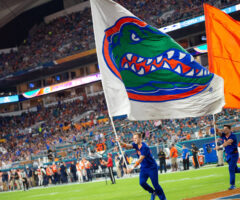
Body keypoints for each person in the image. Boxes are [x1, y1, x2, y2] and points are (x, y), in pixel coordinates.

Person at [117, 133, 166, 200]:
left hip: (152, 167)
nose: (134, 140)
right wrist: (120, 142)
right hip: (144, 168)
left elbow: (140, 159)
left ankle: (163, 199)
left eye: (136, 138)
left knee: (156, 185)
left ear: (140, 139)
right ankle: (153, 192)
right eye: (134, 138)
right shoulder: (135, 144)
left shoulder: (145, 147)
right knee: (142, 182)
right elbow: (126, 145)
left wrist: (132, 168)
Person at [216, 124, 240, 190]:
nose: (224, 130)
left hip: (234, 155)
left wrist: (219, 147)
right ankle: (232, 185)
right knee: (235, 170)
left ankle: (232, 185)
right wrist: (215, 127)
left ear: (230, 129)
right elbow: (218, 132)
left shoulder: (233, 136)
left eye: (226, 129)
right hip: (228, 155)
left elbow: (227, 143)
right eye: (224, 129)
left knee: (231, 169)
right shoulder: (223, 135)